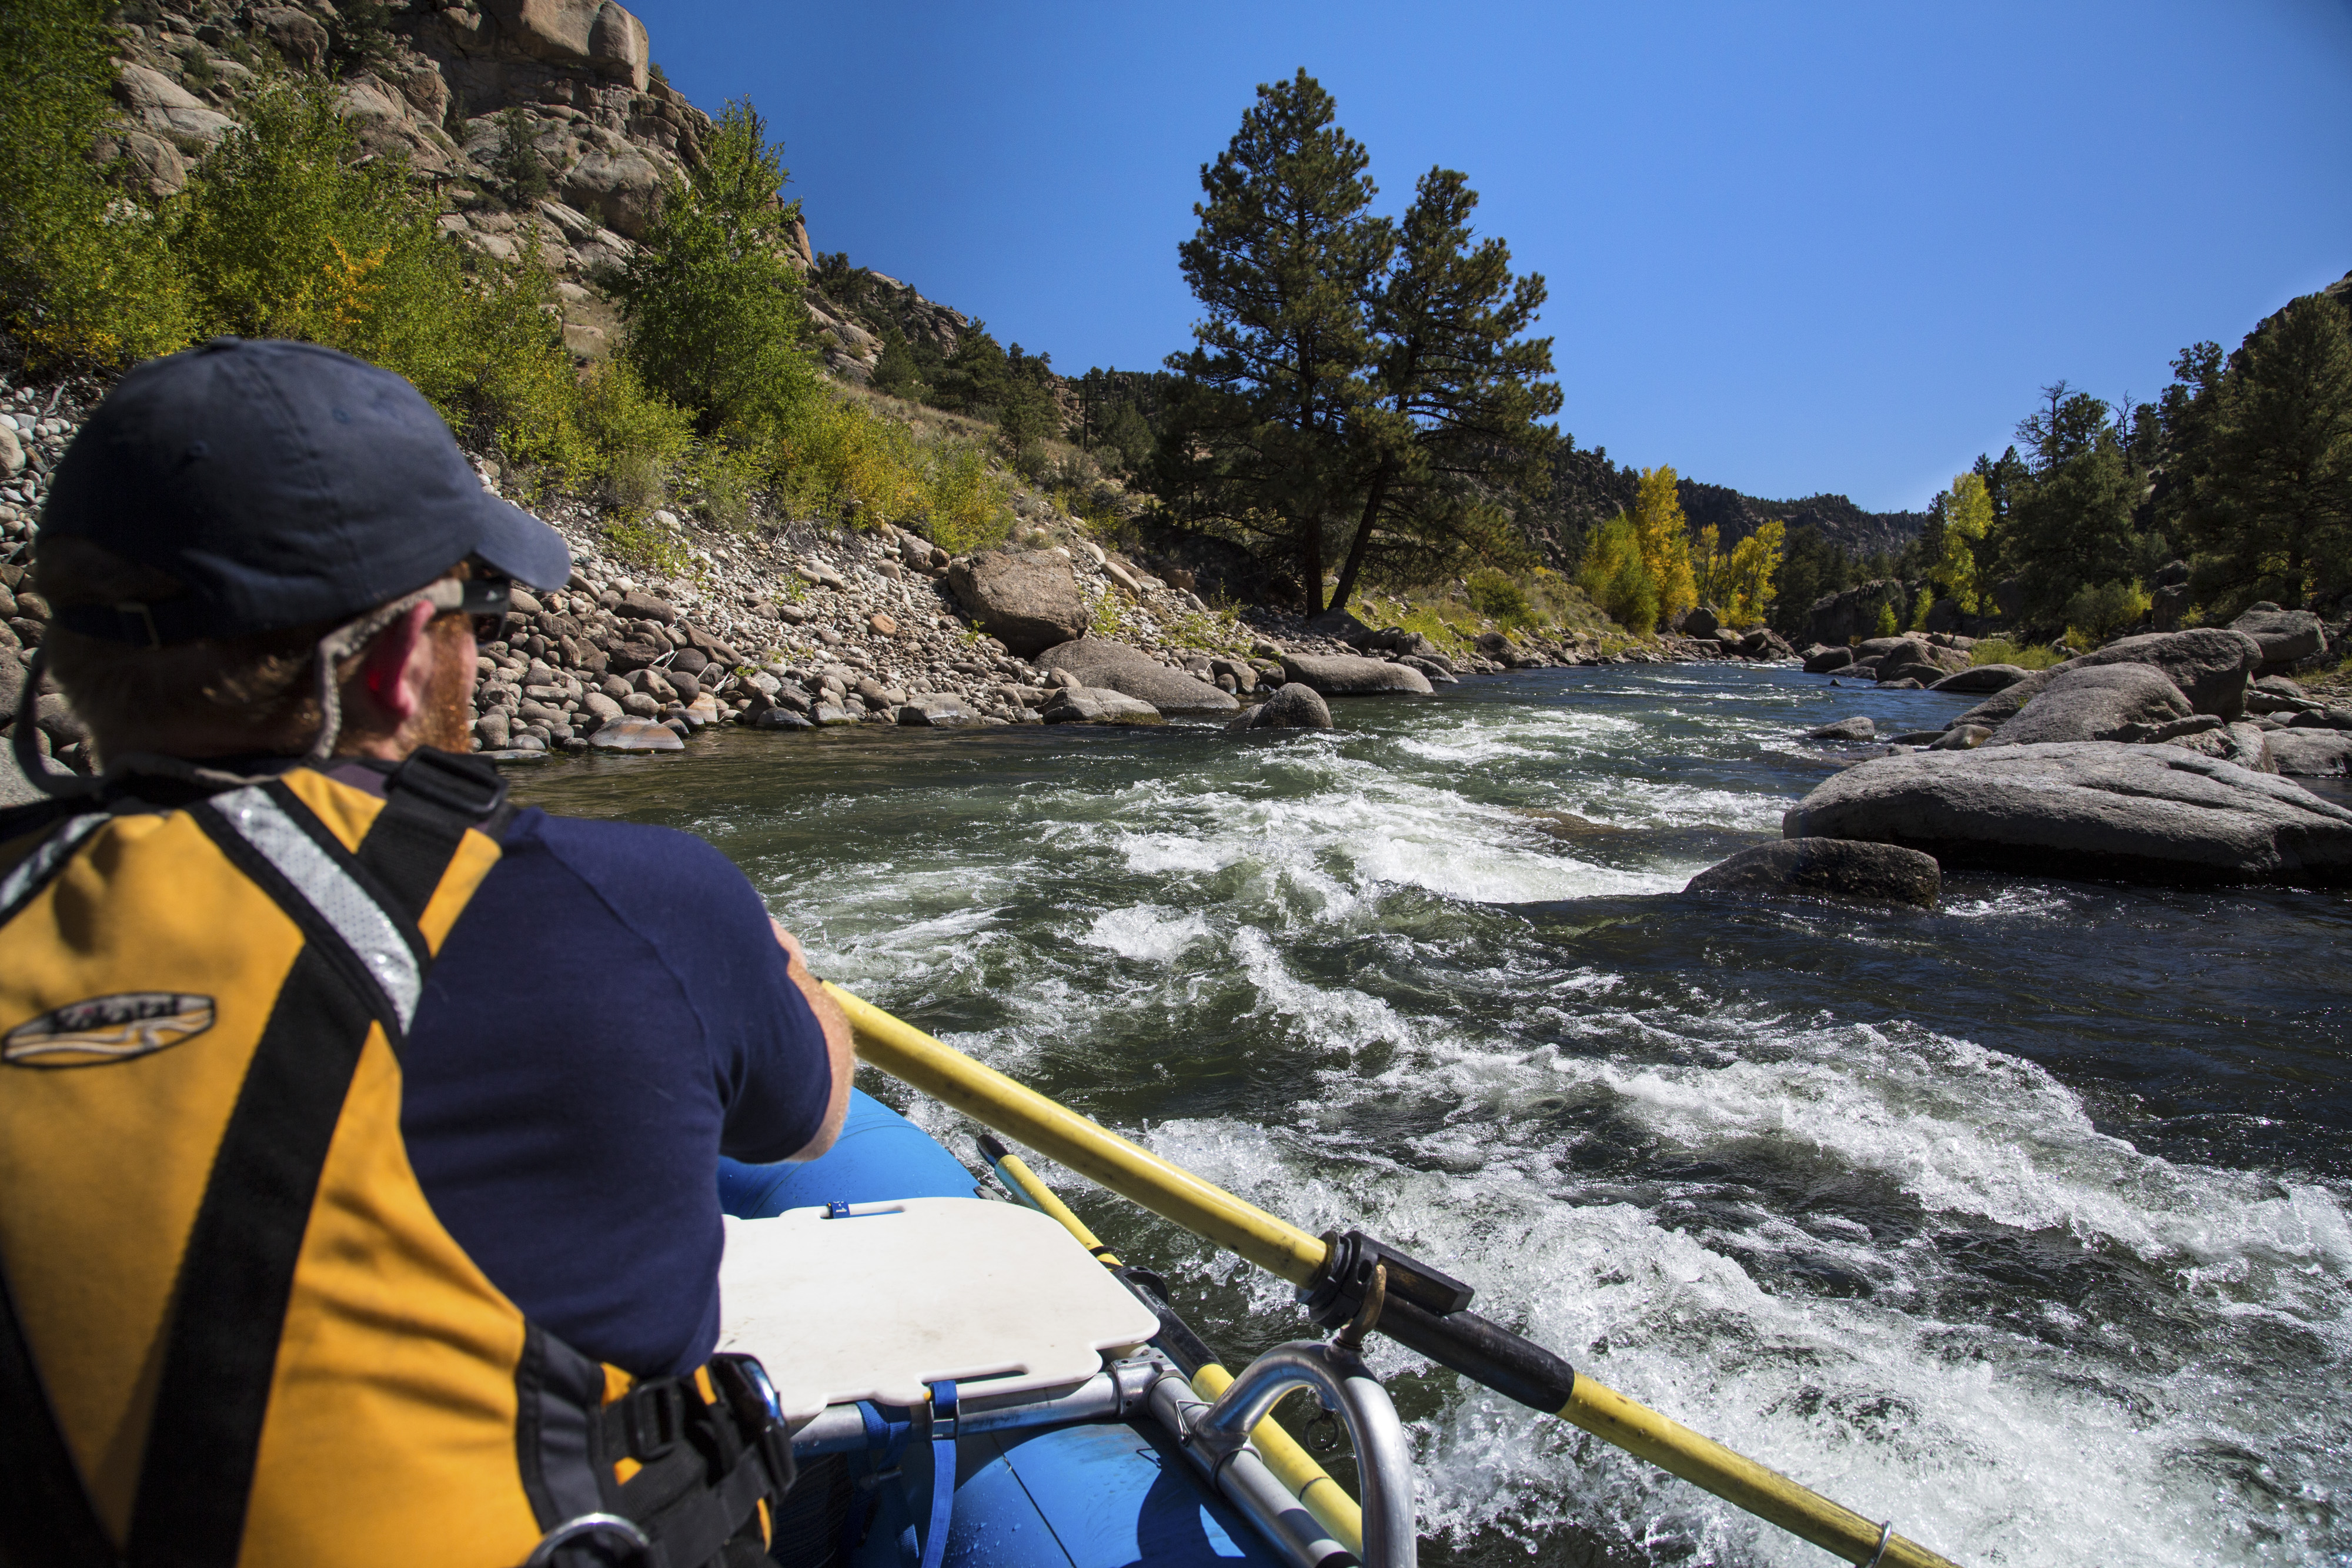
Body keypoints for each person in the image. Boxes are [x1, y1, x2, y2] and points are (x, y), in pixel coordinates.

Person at [0, 337, 853, 1567]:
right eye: (478, 608)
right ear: (403, 656)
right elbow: (811, 1113)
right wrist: (761, 958)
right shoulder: (633, 901)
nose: (481, 645)